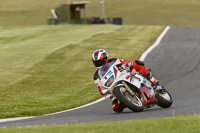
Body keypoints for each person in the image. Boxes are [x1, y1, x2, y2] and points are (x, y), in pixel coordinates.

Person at [92, 49, 158, 112]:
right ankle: (131, 101)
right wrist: (105, 91)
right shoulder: (96, 76)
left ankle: (152, 80)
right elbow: (100, 89)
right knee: (116, 107)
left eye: (100, 61)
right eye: (97, 63)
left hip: (125, 74)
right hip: (113, 84)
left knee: (136, 63)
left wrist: (125, 65)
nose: (99, 64)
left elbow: (126, 62)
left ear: (106, 59)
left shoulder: (114, 61)